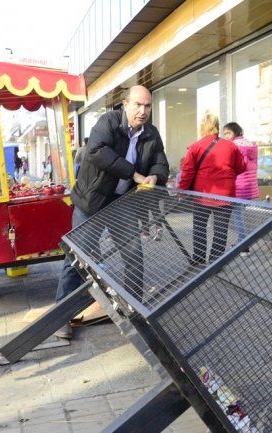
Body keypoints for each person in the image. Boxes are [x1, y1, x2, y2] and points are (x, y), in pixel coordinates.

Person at [56, 85, 168, 339]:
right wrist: (134, 173)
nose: (143, 111)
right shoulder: (107, 122)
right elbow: (96, 152)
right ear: (125, 104)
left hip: (123, 203)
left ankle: (134, 313)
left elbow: (160, 161)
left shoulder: (151, 133)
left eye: (147, 106)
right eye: (138, 105)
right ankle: (62, 318)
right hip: (92, 201)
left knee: (134, 256)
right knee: (78, 257)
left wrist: (154, 176)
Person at [179, 112, 246, 265]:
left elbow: (187, 171)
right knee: (221, 230)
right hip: (225, 195)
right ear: (217, 126)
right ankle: (216, 262)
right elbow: (241, 167)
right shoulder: (230, 146)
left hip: (201, 194)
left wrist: (181, 191)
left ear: (202, 127)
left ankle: (199, 258)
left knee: (199, 227)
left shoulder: (195, 146)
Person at [222, 122, 258, 254]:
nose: (226, 136)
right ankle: (242, 242)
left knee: (238, 217)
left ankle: (243, 247)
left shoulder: (233, 146)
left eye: (228, 133)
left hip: (238, 186)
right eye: (224, 133)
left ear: (235, 132)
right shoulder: (250, 144)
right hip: (249, 187)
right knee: (240, 215)